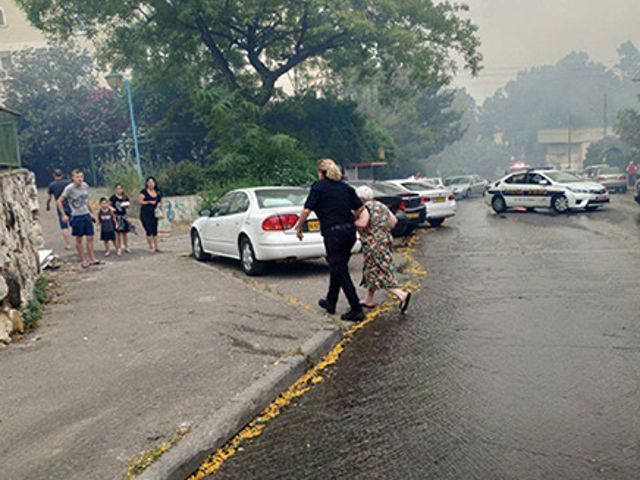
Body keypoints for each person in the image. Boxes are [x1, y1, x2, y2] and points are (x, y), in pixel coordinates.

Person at [296, 159, 365, 322]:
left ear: (321, 173)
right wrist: (351, 219)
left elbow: (307, 209)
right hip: (349, 233)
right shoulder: (345, 187)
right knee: (337, 266)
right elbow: (360, 207)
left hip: (333, 234)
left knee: (339, 269)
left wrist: (299, 227)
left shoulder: (318, 187)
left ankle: (356, 309)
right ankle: (331, 302)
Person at [355, 186, 412, 314]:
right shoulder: (381, 206)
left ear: (360, 198)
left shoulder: (365, 208)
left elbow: (363, 223)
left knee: (380, 273)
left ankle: (402, 295)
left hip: (373, 245)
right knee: (372, 271)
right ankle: (369, 300)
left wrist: (352, 222)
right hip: (385, 241)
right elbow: (394, 222)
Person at [58, 169, 102, 268]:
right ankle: (83, 259)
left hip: (85, 213)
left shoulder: (85, 186)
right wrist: (64, 214)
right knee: (79, 238)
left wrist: (91, 212)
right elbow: (59, 201)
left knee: (90, 237)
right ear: (73, 178)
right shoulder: (69, 189)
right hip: (76, 215)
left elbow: (86, 200)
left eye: (81, 176)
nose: (79, 179)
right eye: (77, 177)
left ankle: (92, 258)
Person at [46, 169, 72, 250]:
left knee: (64, 226)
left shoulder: (52, 185)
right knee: (74, 222)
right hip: (70, 203)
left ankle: (68, 244)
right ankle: (79, 240)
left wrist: (48, 205)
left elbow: (49, 198)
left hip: (59, 205)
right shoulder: (67, 183)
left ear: (54, 175)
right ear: (62, 175)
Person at [138, 176, 162, 253]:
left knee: (155, 230)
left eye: (152, 182)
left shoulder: (157, 192)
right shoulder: (143, 192)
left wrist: (159, 204)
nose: (151, 184)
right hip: (145, 213)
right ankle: (151, 246)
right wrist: (149, 202)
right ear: (147, 183)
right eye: (149, 182)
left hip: (154, 213)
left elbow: (160, 201)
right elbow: (140, 201)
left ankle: (156, 246)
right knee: (148, 230)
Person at [110, 184, 132, 255]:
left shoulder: (125, 197)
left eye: (120, 188)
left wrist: (126, 206)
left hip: (124, 216)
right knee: (118, 233)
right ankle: (118, 248)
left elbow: (128, 206)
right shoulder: (113, 198)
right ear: (115, 190)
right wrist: (111, 209)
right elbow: (109, 205)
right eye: (117, 188)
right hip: (117, 216)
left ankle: (126, 246)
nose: (119, 190)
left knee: (125, 233)